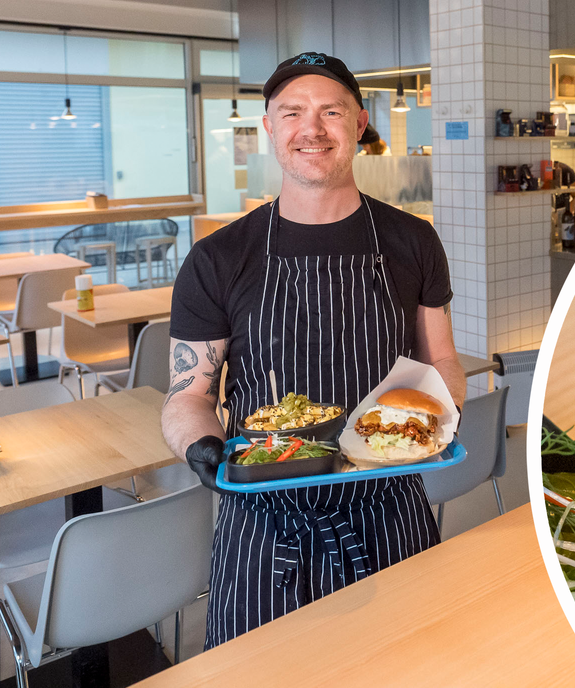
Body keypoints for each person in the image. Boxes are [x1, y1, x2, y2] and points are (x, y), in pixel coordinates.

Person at [163, 51, 466, 647]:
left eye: (332, 111)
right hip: (264, 521)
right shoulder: (217, 258)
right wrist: (200, 445)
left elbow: (443, 362)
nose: (312, 128)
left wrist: (439, 422)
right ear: (269, 127)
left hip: (389, 505)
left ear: (359, 124)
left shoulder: (413, 240)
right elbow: (188, 395)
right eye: (292, 112)